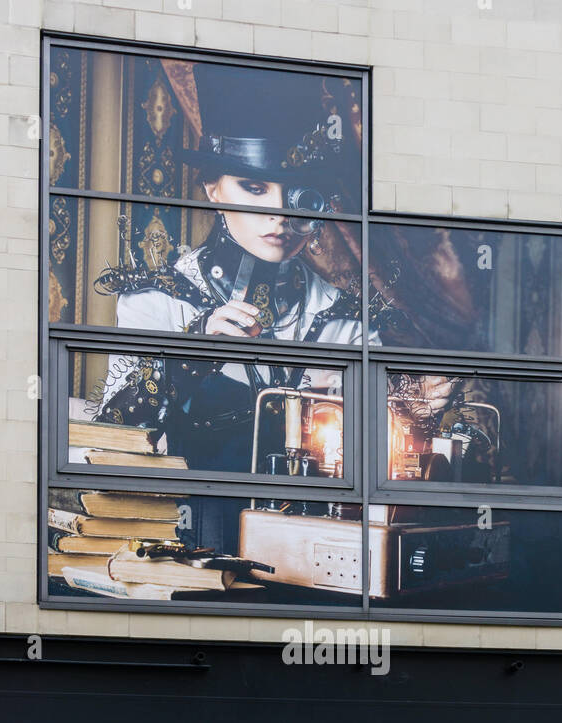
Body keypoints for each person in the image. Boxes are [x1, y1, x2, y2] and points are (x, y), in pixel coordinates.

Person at [95, 66, 369, 553]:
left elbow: (374, 474)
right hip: (184, 547)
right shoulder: (156, 298)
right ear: (212, 189)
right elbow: (117, 442)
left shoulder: (343, 317)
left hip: (307, 553)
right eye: (256, 188)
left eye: (300, 193)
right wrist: (188, 357)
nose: (281, 217)